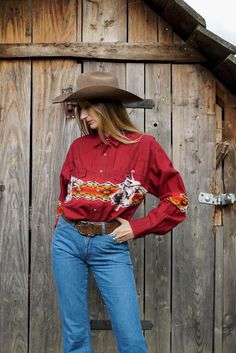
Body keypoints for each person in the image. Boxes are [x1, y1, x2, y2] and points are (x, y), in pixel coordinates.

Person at [51, 71, 188, 353]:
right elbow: (64, 196)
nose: (83, 116)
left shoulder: (144, 147)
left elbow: (177, 200)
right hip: (67, 243)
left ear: (108, 107)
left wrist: (137, 228)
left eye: (89, 107)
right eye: (80, 109)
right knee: (75, 334)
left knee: (130, 336)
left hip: (110, 246)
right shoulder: (78, 147)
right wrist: (60, 231)